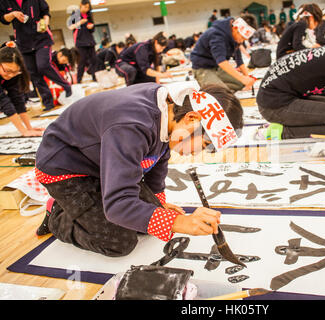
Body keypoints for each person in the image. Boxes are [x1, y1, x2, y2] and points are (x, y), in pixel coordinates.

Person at [34, 83, 244, 257]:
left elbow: (157, 164)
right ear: (192, 118)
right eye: (205, 144)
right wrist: (179, 222)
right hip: (67, 168)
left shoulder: (170, 111)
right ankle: (58, 214)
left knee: (147, 219)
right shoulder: (132, 125)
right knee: (118, 242)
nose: (200, 152)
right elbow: (118, 205)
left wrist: (159, 205)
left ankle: (91, 202)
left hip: (102, 162)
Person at [0, 0, 72, 112]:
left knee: (43, 65)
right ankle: (48, 102)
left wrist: (45, 22)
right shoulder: (5, 2)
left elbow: (45, 12)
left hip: (41, 38)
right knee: (33, 73)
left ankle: (66, 85)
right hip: (23, 42)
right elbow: (3, 19)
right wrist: (13, 14)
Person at [190, 15, 257, 93]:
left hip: (216, 67)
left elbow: (239, 59)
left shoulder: (234, 37)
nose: (241, 41)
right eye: (242, 38)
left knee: (241, 84)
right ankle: (210, 86)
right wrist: (243, 78)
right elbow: (221, 62)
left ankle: (216, 84)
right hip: (202, 68)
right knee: (221, 94)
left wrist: (247, 77)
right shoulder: (217, 35)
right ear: (235, 28)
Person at [0, 43, 44, 137]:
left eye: (15, 72)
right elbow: (3, 101)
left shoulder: (12, 74)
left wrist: (29, 128)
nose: (11, 75)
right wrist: (23, 131)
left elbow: (17, 99)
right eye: (7, 71)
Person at [68, 0, 97, 83]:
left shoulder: (89, 15)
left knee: (94, 60)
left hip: (90, 41)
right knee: (82, 61)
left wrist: (91, 27)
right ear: (81, 5)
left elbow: (92, 29)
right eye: (85, 7)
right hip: (80, 41)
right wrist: (80, 22)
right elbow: (70, 27)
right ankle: (79, 80)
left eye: (88, 7)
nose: (87, 9)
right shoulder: (75, 14)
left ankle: (95, 77)